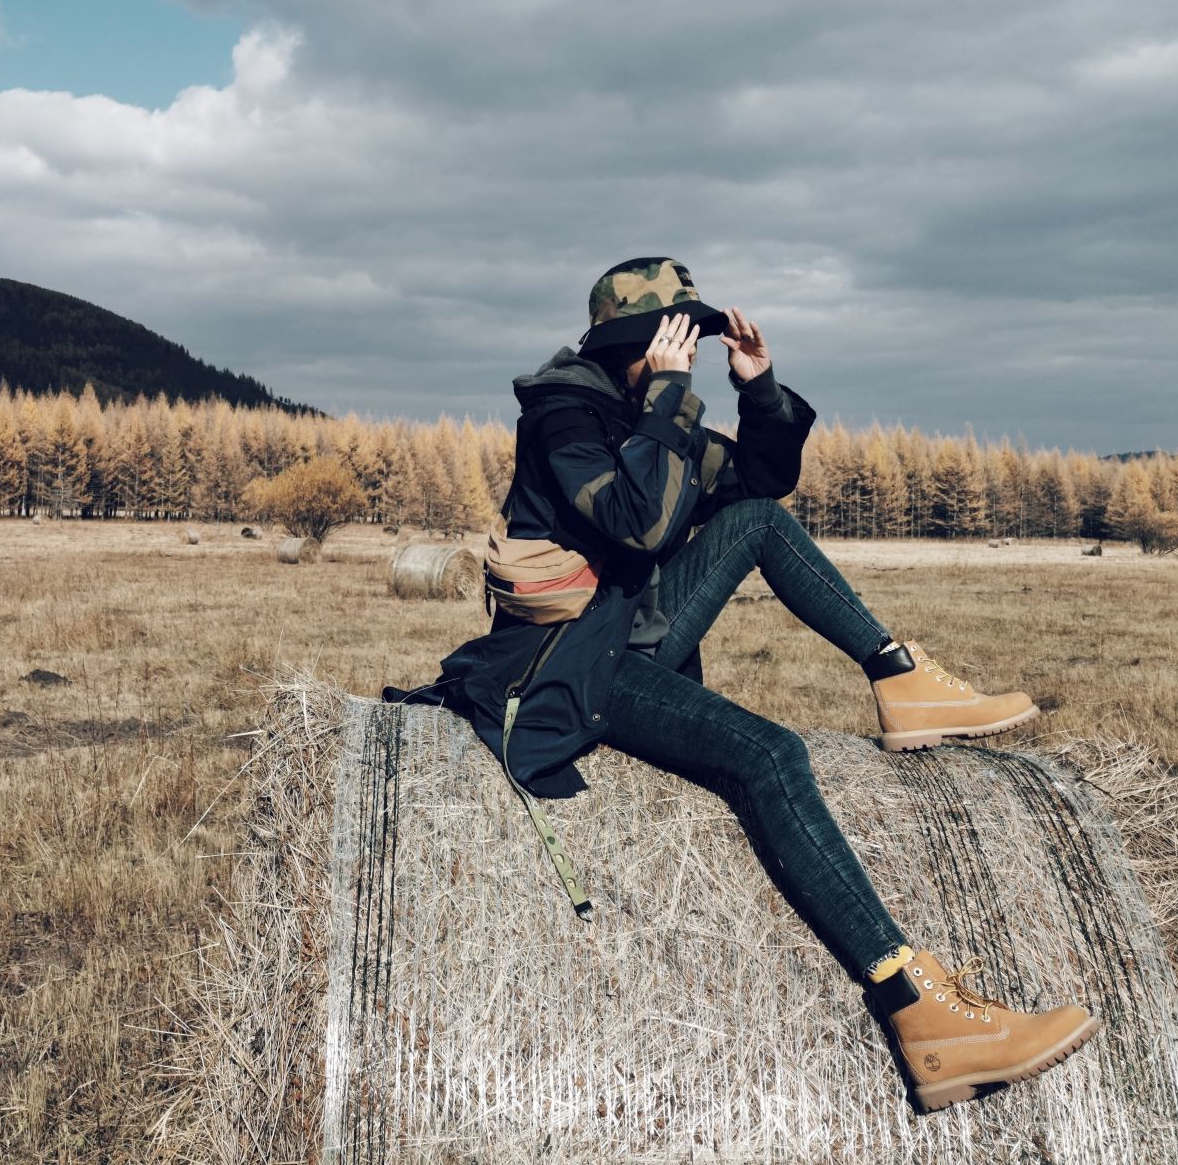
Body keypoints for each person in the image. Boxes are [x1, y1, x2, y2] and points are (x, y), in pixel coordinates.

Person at [386, 254, 1101, 1113]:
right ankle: (915, 1005)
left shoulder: (652, 409)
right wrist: (667, 396)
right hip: (566, 660)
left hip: (627, 628)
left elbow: (759, 482)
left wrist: (757, 390)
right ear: (635, 342)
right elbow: (636, 520)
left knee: (759, 519)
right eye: (673, 333)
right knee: (770, 755)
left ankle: (899, 676)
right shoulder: (564, 413)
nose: (686, 346)